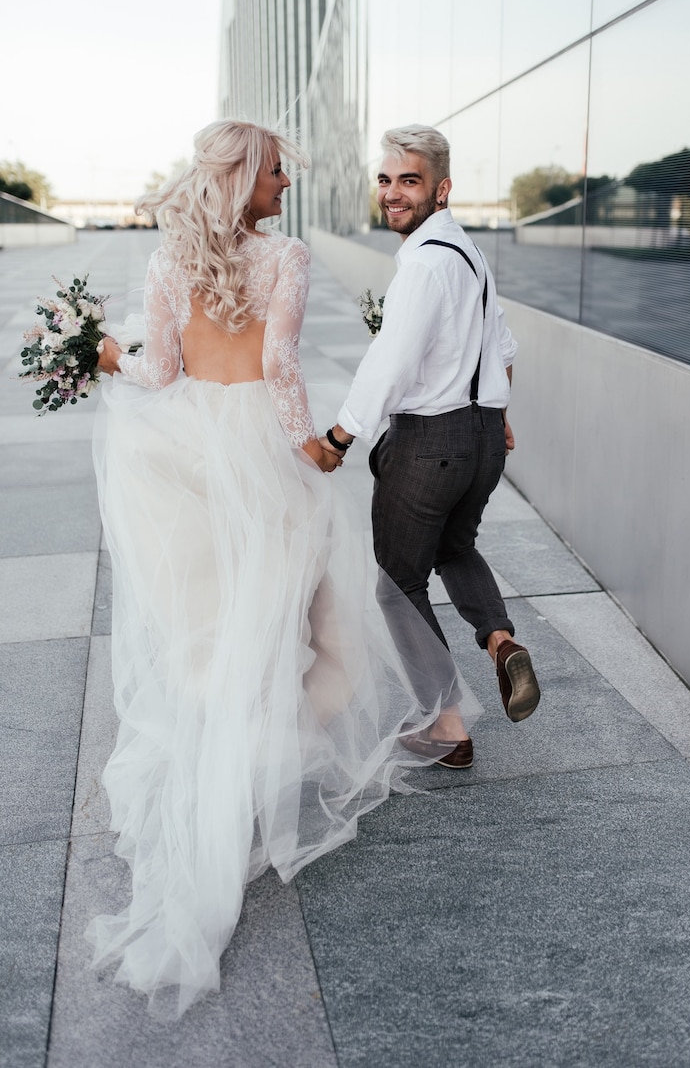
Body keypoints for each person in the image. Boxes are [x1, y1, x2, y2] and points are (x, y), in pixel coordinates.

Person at [89, 119, 477, 1017]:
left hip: (189, 452)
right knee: (320, 630)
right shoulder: (287, 258)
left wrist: (107, 357)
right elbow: (280, 366)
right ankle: (266, 767)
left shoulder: (167, 263)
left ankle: (225, 778)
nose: (285, 187)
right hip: (263, 452)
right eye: (274, 173)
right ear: (242, 178)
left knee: (220, 633)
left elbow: (155, 374)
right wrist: (314, 447)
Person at [321, 124, 540, 771]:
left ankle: (447, 724)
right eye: (386, 180)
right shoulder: (470, 255)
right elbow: (501, 345)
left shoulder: (421, 262)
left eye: (409, 181)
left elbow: (391, 360)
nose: (393, 194)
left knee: (397, 584)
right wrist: (494, 413)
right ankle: (501, 642)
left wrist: (341, 435)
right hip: (481, 436)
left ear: (441, 188)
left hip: (431, 442)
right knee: (455, 545)